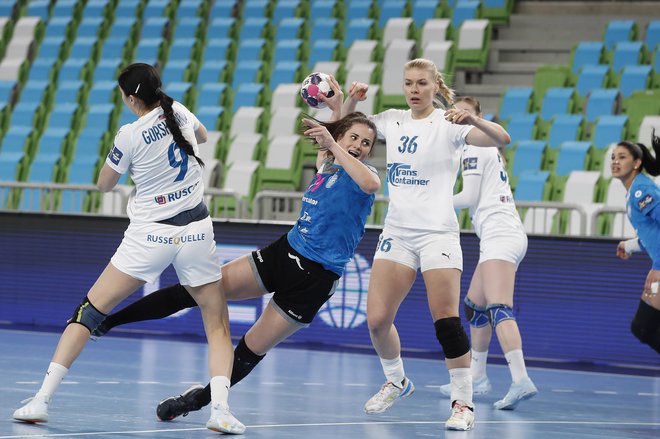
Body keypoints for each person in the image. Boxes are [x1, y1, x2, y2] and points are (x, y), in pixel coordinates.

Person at [89, 104, 381, 420]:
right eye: (355, 138)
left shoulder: (367, 176)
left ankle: (195, 402)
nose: (360, 146)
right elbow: (331, 144)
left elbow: (369, 184)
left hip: (315, 280)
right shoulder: (329, 163)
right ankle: (110, 321)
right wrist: (340, 105)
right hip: (284, 254)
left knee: (250, 349)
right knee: (198, 290)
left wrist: (336, 139)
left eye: (366, 143)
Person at [12, 63, 245, 434]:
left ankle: (40, 400)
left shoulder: (129, 133)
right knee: (216, 325)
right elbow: (201, 135)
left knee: (89, 313)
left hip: (150, 237)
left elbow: (105, 185)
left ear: (131, 98)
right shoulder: (178, 110)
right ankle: (220, 410)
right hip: (197, 231)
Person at [342, 59, 511, 431]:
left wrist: (473, 120)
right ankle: (397, 380)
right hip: (398, 233)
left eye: (421, 83)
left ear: (436, 86)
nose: (414, 89)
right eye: (408, 83)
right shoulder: (390, 119)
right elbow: (345, 129)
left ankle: (463, 404)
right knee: (377, 320)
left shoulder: (449, 124)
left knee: (446, 321)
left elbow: (502, 139)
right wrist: (351, 101)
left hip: (438, 234)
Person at [435, 96, 538, 409]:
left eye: (469, 113)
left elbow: (468, 196)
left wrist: (429, 201)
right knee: (474, 307)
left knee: (498, 307)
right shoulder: (475, 147)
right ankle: (478, 375)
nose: (462, 117)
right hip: (498, 236)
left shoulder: (477, 147)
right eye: (457, 112)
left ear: (479, 117)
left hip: (501, 236)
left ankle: (521, 380)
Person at [612, 133, 660, 354]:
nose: (615, 162)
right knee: (644, 327)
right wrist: (630, 245)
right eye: (613, 157)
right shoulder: (636, 191)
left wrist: (658, 267)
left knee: (643, 327)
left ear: (637, 163)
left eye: (622, 157)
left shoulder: (642, 191)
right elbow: (652, 232)